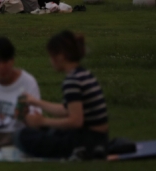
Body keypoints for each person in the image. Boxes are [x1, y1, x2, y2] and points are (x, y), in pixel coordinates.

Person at [16, 31, 108, 159]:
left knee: (22, 136)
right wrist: (35, 102)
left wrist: (43, 121)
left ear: (60, 57)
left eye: (51, 56)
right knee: (45, 132)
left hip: (86, 141)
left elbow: (76, 121)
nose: (50, 61)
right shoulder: (84, 74)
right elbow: (67, 110)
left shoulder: (72, 81)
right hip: (98, 138)